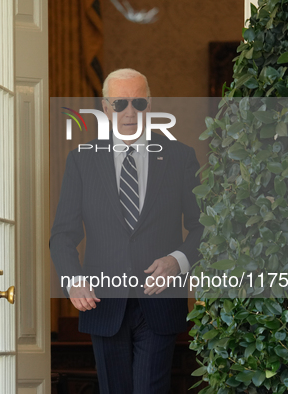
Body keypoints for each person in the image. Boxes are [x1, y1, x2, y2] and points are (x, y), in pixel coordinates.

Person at [50, 68, 203, 393]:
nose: (129, 112)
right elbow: (63, 234)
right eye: (120, 103)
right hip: (103, 301)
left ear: (150, 104)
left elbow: (204, 227)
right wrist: (73, 280)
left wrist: (178, 260)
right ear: (106, 107)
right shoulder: (82, 160)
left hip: (160, 300)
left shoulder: (180, 157)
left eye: (138, 102)